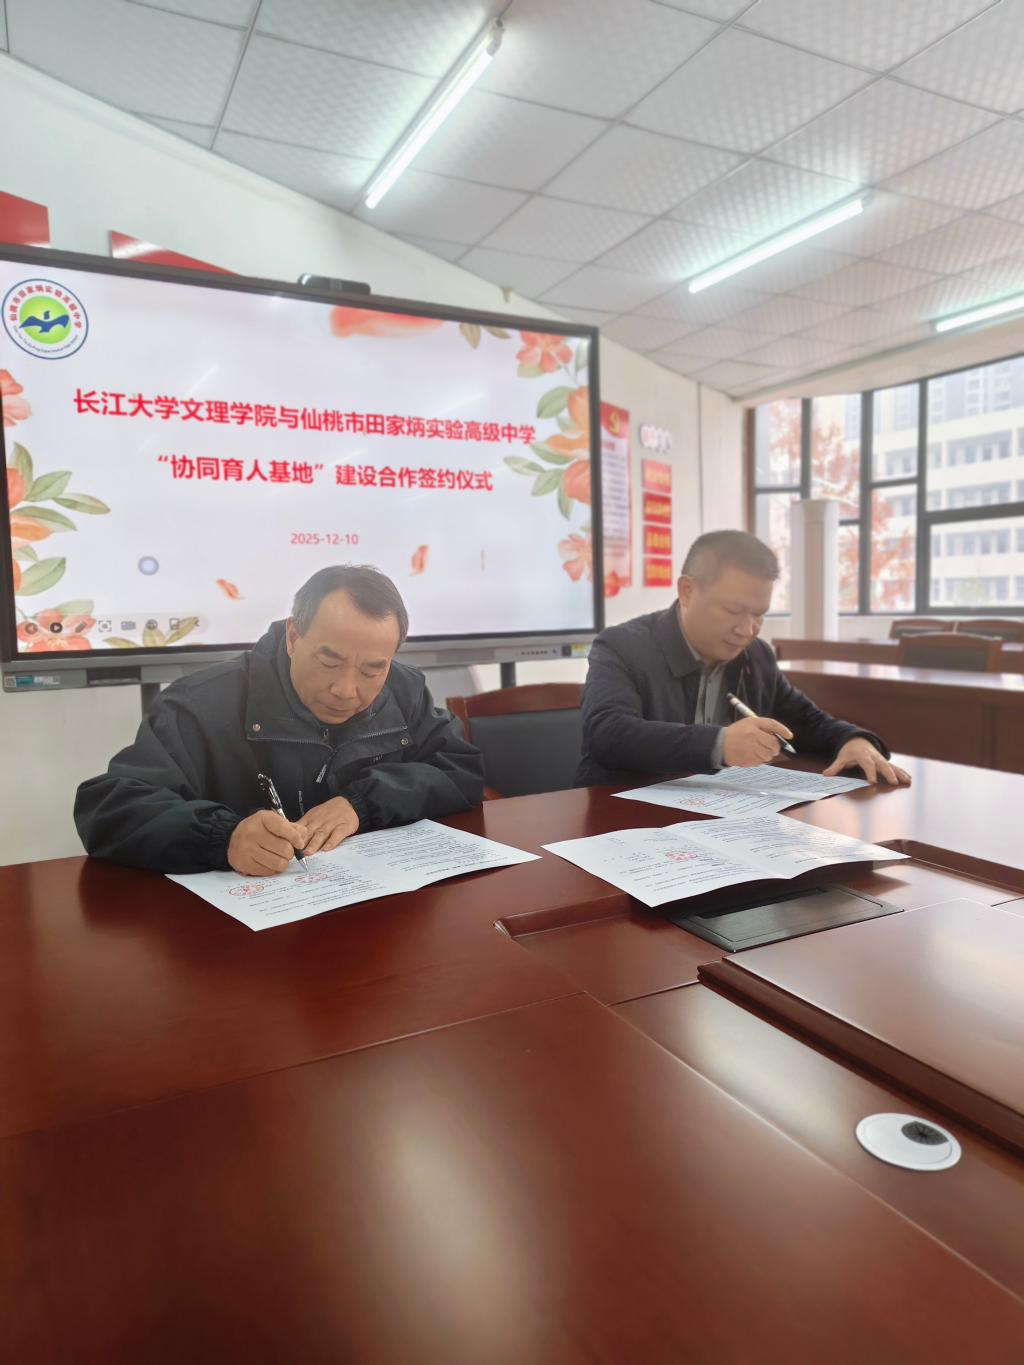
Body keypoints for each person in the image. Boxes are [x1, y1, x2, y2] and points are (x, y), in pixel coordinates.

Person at [75, 565, 485, 874]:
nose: (346, 690)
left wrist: (363, 804)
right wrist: (223, 837)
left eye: (372, 669)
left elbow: (459, 769)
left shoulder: (403, 690)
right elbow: (110, 809)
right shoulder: (201, 703)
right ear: (293, 637)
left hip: (368, 910)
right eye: (329, 661)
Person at [576, 529, 911, 788]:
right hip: (624, 819)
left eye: (759, 615)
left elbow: (806, 722)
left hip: (723, 821)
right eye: (733, 610)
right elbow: (608, 734)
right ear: (687, 591)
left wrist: (854, 740)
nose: (747, 630)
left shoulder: (756, 655)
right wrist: (719, 745)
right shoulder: (622, 646)